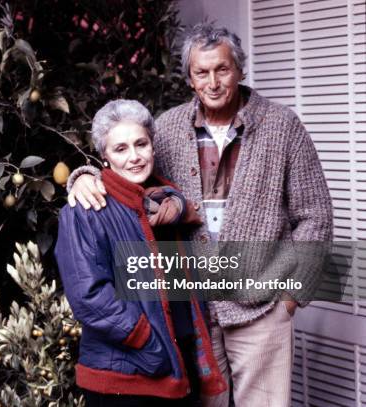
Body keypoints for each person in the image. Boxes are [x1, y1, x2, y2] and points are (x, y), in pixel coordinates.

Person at [66, 24, 333, 407]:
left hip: (262, 308)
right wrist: (84, 177)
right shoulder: (168, 127)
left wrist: (291, 296)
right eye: (201, 72)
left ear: (239, 69)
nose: (212, 82)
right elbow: (130, 167)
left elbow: (316, 215)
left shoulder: (282, 126)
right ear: (189, 79)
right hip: (192, 311)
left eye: (221, 69)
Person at [55, 99, 227, 406]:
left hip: (180, 364)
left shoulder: (167, 205)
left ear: (152, 146)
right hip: (128, 374)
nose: (134, 157)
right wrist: (146, 340)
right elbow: (88, 295)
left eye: (141, 144)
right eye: (120, 149)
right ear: (104, 157)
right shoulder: (86, 209)